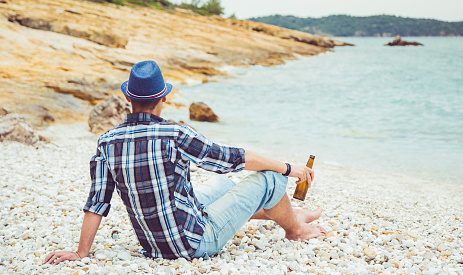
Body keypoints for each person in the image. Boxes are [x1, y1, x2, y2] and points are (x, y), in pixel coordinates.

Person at [44, 60, 325, 265]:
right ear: (163, 97)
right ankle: (295, 229)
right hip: (195, 243)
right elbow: (232, 158)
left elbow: (97, 201)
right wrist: (289, 169)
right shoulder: (174, 133)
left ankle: (285, 214)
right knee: (271, 179)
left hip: (152, 244)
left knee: (223, 184)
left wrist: (81, 252)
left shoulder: (107, 141)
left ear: (128, 97)